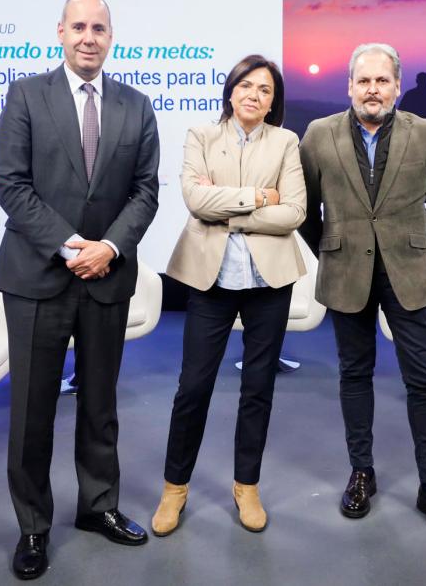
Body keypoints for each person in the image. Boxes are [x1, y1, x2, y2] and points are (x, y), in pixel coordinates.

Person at [0, 0, 160, 580]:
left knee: (100, 405)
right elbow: (11, 186)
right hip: (38, 276)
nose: (89, 37)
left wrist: (108, 248)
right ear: (59, 32)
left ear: (112, 37)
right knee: (32, 410)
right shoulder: (25, 95)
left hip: (107, 278)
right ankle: (33, 527)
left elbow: (145, 191)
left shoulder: (137, 107)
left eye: (100, 28)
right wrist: (71, 247)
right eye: (80, 27)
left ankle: (98, 508)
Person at [299, 43, 426, 541]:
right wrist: (330, 247)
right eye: (363, 81)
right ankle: (362, 472)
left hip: (409, 275)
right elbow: (305, 208)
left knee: (423, 380)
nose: (373, 90)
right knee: (355, 374)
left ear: (397, 85)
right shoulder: (318, 134)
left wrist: (412, 248)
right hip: (345, 271)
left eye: (382, 81)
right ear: (350, 86)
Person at [154, 55, 307, 536]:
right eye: (246, 85)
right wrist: (261, 197)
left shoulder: (286, 141)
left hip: (269, 283)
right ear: (230, 90)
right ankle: (174, 489)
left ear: (272, 101)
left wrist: (230, 209)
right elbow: (195, 201)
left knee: (258, 388)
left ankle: (247, 486)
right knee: (193, 388)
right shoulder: (202, 136)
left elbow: (296, 212)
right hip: (211, 280)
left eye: (265, 90)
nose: (254, 95)